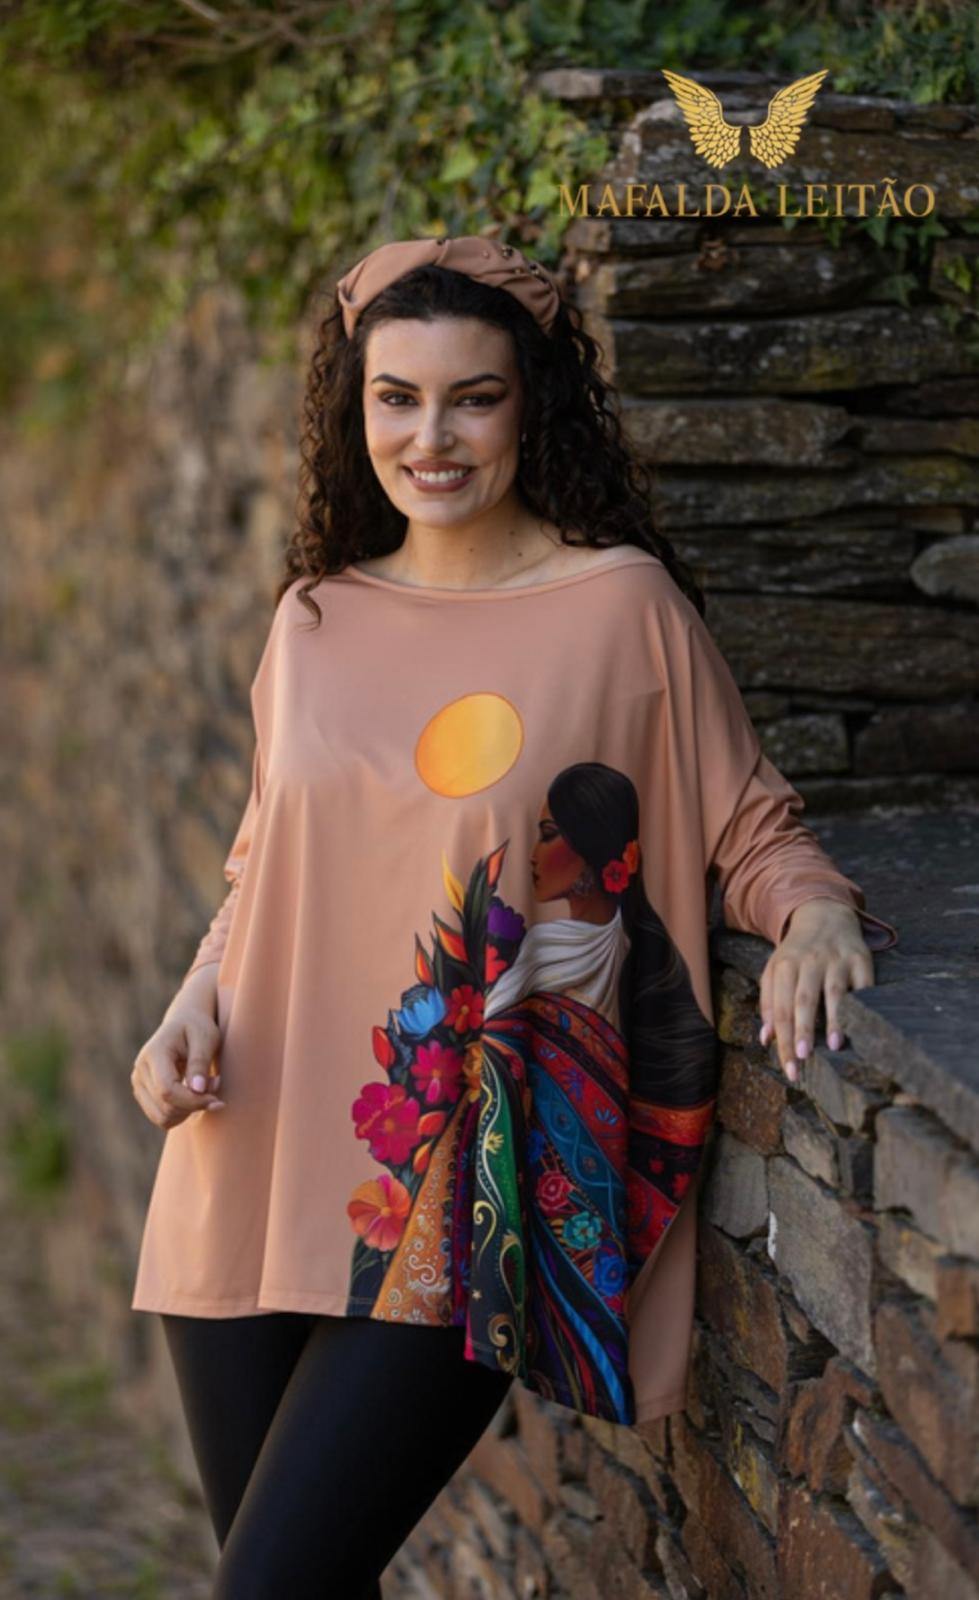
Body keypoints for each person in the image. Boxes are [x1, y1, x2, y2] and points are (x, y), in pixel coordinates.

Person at [129, 234, 898, 1597]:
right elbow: (265, 868)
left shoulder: (620, 609)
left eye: (471, 398)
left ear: (529, 406)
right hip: (247, 1140)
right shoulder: (313, 618)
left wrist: (818, 916)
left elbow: (748, 827)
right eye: (397, 398)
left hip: (454, 1180)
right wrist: (194, 997)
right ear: (356, 408)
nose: (430, 438)